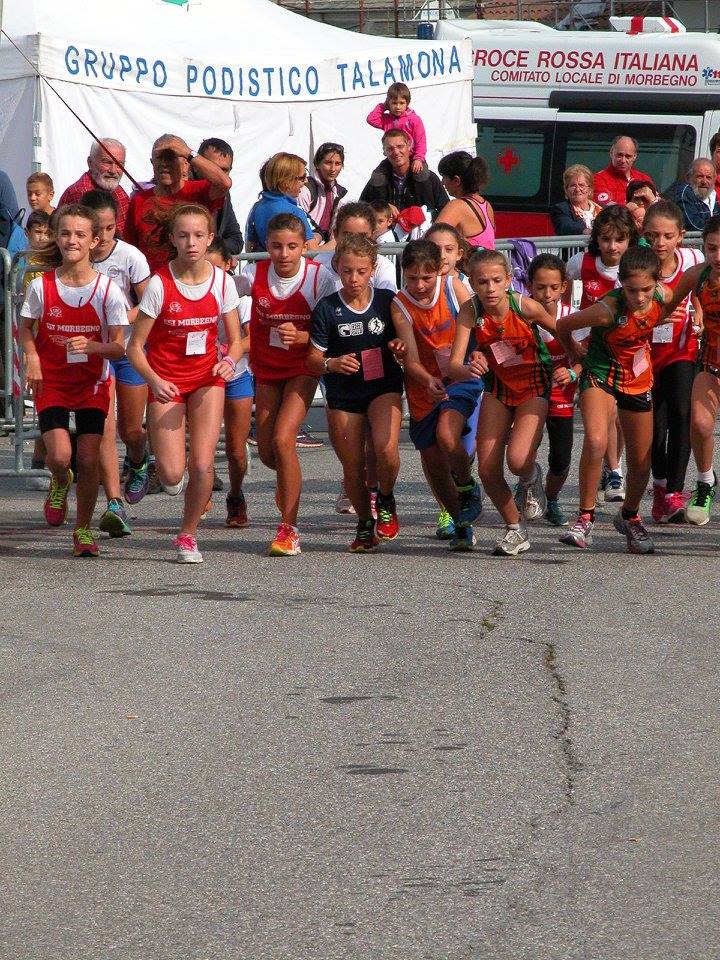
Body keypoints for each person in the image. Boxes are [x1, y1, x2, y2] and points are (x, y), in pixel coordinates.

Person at [127, 204, 242, 563]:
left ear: (210, 239)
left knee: (203, 465)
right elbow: (134, 348)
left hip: (207, 379)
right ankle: (149, 464)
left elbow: (236, 341)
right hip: (167, 382)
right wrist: (154, 380)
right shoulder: (160, 284)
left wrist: (228, 361)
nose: (191, 243)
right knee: (172, 474)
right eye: (183, 235)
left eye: (198, 235)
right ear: (173, 239)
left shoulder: (222, 281)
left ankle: (188, 535)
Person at [18, 203, 128, 557]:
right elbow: (24, 328)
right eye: (65, 233)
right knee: (61, 456)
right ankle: (60, 479)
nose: (71, 240)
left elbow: (119, 348)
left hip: (91, 384)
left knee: (89, 460)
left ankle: (82, 529)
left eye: (80, 234)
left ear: (95, 241)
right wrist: (32, 357)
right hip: (51, 381)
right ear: (56, 237)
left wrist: (94, 346)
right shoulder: (42, 286)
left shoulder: (108, 290)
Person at [557, 247, 672, 554]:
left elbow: (679, 293)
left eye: (646, 289)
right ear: (621, 283)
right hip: (600, 373)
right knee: (596, 440)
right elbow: (563, 325)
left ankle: (630, 516)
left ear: (656, 283)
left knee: (642, 460)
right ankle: (585, 518)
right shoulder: (606, 309)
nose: (640, 297)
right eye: (632, 290)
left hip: (637, 379)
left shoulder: (662, 296)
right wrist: (573, 352)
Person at [236, 212, 336, 556]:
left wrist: (304, 337)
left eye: (292, 246)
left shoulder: (319, 278)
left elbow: (334, 328)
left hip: (302, 368)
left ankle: (289, 529)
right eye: (276, 246)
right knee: (268, 452)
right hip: (266, 369)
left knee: (283, 439)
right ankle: (288, 479)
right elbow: (218, 290)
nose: (284, 253)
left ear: (304, 247)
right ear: (267, 246)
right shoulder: (253, 274)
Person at [448, 249, 555, 556]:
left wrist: (573, 367)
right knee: (487, 469)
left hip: (534, 387)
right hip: (497, 389)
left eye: (496, 280)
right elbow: (454, 365)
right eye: (482, 282)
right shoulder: (470, 310)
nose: (490, 288)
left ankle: (531, 476)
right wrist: (471, 366)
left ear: (508, 280)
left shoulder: (524, 306)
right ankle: (514, 528)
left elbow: (562, 334)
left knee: (518, 461)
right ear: (472, 283)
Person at [308, 234, 404, 551]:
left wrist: (399, 346)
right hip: (344, 394)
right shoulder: (327, 308)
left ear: (372, 269)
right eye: (347, 271)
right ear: (337, 266)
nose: (354, 278)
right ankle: (364, 523)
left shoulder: (387, 301)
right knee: (353, 467)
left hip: (383, 386)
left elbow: (406, 339)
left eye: (361, 271)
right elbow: (312, 358)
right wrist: (331, 363)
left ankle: (386, 499)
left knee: (386, 449)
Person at [391, 239, 484, 552]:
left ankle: (467, 486)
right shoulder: (400, 304)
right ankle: (461, 524)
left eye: (426, 277)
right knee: (433, 464)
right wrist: (427, 380)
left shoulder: (453, 287)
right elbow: (411, 360)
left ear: (439, 271)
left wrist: (477, 355)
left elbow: (477, 324)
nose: (419, 285)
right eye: (412, 278)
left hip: (459, 376)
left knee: (447, 436)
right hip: (424, 385)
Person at [82, 189, 151, 533]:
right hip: (97, 350)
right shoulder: (78, 255)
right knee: (105, 428)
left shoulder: (130, 256)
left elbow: (149, 302)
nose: (104, 236)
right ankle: (114, 503)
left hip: (128, 347)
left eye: (110, 228)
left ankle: (138, 459)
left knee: (131, 429)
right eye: (98, 230)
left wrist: (120, 320)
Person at [566, 205, 638, 503]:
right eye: (606, 239)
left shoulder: (635, 268)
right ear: (596, 238)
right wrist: (572, 340)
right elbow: (565, 301)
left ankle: (613, 466)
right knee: (606, 414)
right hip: (592, 350)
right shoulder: (580, 263)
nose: (612, 246)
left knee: (620, 417)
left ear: (630, 240)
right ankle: (615, 471)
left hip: (627, 349)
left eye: (620, 239)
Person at [643, 200, 703, 524]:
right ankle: (660, 484)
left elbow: (700, 289)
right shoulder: (638, 265)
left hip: (682, 350)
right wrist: (654, 316)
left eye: (667, 236)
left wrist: (698, 313)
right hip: (645, 356)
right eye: (653, 236)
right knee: (655, 427)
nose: (660, 243)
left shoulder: (693, 259)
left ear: (680, 236)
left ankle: (675, 493)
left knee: (682, 413)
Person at [659, 215, 720, 526]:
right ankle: (705, 482)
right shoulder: (697, 275)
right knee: (699, 422)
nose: (718, 256)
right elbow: (664, 307)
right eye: (712, 248)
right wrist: (651, 317)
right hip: (710, 363)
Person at [423, 222, 477, 538]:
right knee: (434, 451)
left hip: (463, 379)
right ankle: (447, 509)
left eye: (448, 249)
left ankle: (466, 495)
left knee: (458, 450)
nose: (441, 256)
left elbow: (481, 330)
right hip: (429, 381)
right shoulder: (416, 286)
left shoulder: (462, 288)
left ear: (460, 254)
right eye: (435, 249)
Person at [124, 133, 231, 273]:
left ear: (186, 164)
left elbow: (224, 183)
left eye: (171, 157)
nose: (164, 164)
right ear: (152, 163)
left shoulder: (199, 190)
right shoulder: (139, 200)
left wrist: (188, 152)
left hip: (192, 279)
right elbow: (130, 250)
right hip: (152, 281)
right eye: (159, 158)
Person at [526, 254, 581, 526]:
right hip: (530, 392)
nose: (547, 294)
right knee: (525, 449)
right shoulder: (522, 316)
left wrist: (572, 372)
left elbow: (585, 357)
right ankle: (527, 484)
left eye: (553, 287)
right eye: (540, 287)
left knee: (560, 458)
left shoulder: (573, 317)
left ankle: (552, 499)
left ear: (563, 287)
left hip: (561, 395)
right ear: (530, 286)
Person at [206, 237, 253, 528]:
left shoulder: (241, 299)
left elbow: (252, 340)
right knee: (203, 445)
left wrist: (227, 354)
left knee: (236, 450)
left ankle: (236, 494)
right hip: (202, 377)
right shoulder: (191, 294)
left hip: (235, 374)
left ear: (229, 265)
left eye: (216, 268)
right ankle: (201, 490)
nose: (211, 275)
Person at [359, 130, 449, 222]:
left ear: (409, 146)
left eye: (400, 146)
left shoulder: (429, 178)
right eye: (390, 148)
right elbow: (360, 209)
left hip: (424, 229)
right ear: (384, 151)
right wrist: (382, 207)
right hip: (389, 230)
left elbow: (446, 209)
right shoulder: (377, 180)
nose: (396, 152)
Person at [245, 153, 319, 253]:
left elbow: (249, 246)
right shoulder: (294, 211)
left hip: (262, 262)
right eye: (302, 177)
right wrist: (333, 244)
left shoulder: (257, 207)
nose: (306, 181)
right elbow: (313, 252)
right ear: (286, 181)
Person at [58, 139, 130, 234]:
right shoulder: (82, 193)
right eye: (107, 162)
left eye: (119, 164)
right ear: (90, 162)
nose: (113, 170)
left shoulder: (116, 189)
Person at [436, 151, 495, 249]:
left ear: (456, 180)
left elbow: (432, 239)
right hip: (487, 258)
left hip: (469, 260)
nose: (442, 183)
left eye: (444, 177)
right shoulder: (487, 206)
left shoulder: (457, 206)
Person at [366, 82, 427, 174]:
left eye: (401, 103)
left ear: (407, 103)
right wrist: (383, 106)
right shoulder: (387, 120)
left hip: (413, 157)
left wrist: (418, 158)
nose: (398, 107)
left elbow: (421, 141)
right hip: (393, 157)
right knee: (377, 178)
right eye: (394, 103)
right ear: (389, 103)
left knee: (421, 176)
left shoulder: (414, 119)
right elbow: (371, 119)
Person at [197, 138, 244, 256]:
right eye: (212, 167)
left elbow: (236, 240)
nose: (218, 174)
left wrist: (212, 249)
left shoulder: (224, 194)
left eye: (224, 170)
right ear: (197, 166)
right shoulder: (182, 190)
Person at [297, 142, 348, 243]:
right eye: (328, 163)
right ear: (317, 164)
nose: (333, 169)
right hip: (308, 242)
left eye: (338, 164)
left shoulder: (338, 193)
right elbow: (300, 224)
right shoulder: (305, 189)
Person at [594, 136, 653, 207]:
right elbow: (606, 206)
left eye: (628, 156)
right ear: (611, 153)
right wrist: (631, 208)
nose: (623, 160)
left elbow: (659, 207)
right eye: (620, 155)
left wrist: (653, 200)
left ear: (634, 156)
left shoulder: (644, 179)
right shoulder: (599, 179)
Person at [667, 158, 719, 232]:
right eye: (700, 176)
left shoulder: (712, 194)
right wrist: (716, 229)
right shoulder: (685, 193)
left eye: (708, 177)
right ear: (689, 178)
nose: (704, 181)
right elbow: (694, 225)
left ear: (714, 180)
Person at [550, 165, 601, 236]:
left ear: (590, 189)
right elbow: (565, 226)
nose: (577, 189)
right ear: (566, 190)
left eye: (582, 185)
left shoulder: (602, 209)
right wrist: (587, 232)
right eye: (573, 185)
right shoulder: (560, 209)